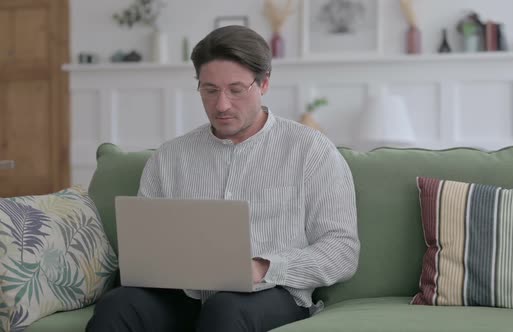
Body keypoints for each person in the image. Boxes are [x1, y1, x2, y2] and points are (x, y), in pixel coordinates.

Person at [86, 25, 360, 332]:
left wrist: (263, 267)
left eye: (236, 90)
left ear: (264, 83)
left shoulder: (311, 150)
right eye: (210, 90)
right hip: (182, 296)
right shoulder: (169, 157)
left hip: (270, 293)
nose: (222, 105)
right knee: (117, 306)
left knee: (226, 309)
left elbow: (342, 251)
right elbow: (145, 248)